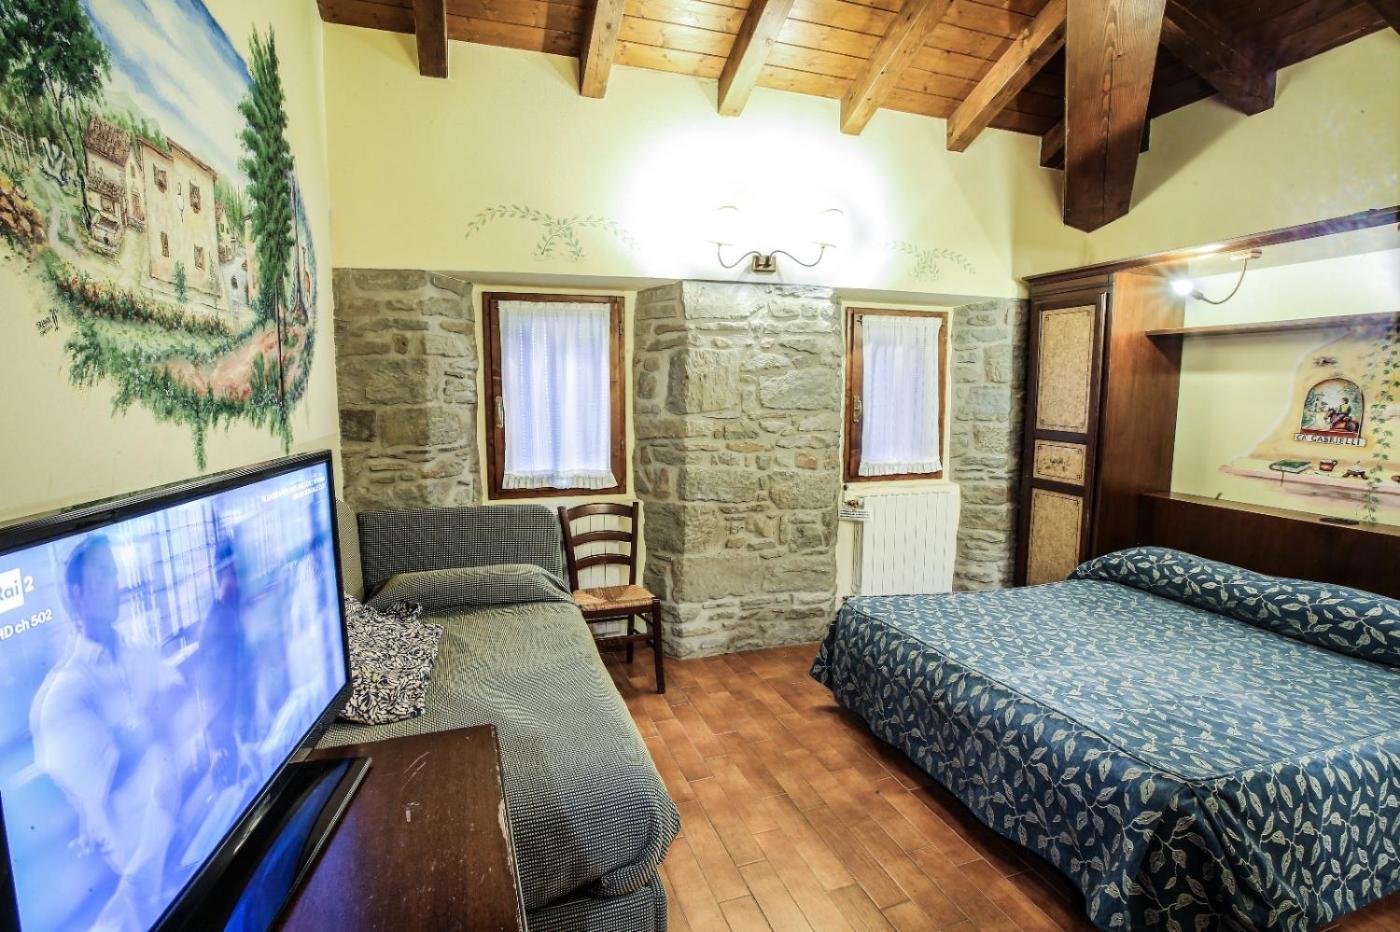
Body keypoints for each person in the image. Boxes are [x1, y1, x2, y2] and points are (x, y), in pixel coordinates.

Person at [29, 535, 185, 930]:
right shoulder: (63, 693)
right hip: (134, 884)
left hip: (180, 838)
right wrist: (152, 722)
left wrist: (137, 730)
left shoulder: (136, 649)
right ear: (77, 595)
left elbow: (178, 693)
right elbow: (111, 774)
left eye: (115, 573)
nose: (116, 584)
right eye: (103, 575)